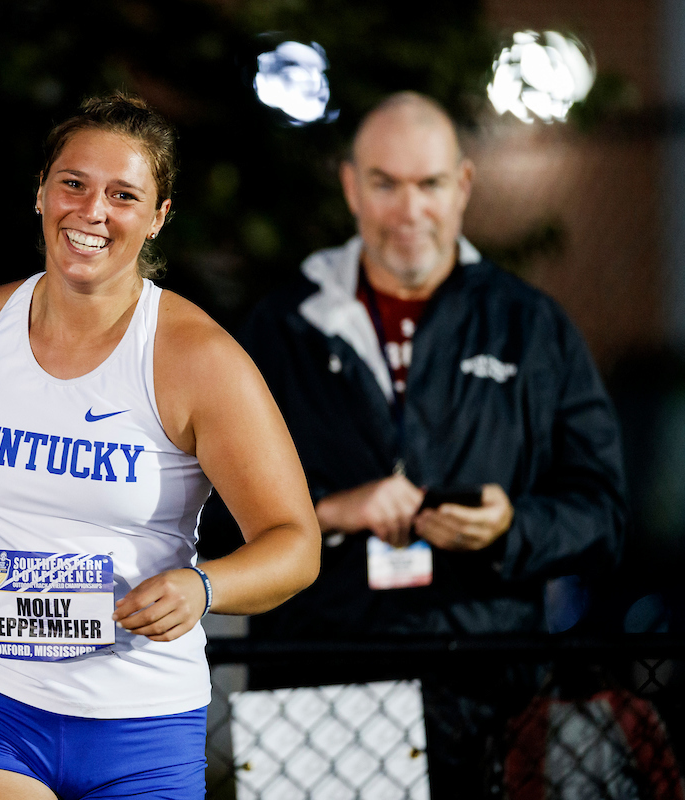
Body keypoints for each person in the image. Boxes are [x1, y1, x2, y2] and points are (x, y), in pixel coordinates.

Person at [0, 93, 322, 800]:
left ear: (158, 216)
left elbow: (294, 542)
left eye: (123, 194)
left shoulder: (199, 361)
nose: (92, 210)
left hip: (140, 723)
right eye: (73, 183)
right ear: (40, 193)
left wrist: (205, 586)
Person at [199, 92, 626, 796]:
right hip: (317, 690)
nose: (408, 210)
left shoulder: (530, 327)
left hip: (485, 695)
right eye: (385, 184)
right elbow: (209, 514)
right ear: (350, 187)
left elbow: (605, 516)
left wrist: (510, 527)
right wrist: (329, 513)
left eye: (428, 184)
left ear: (462, 185)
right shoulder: (282, 329)